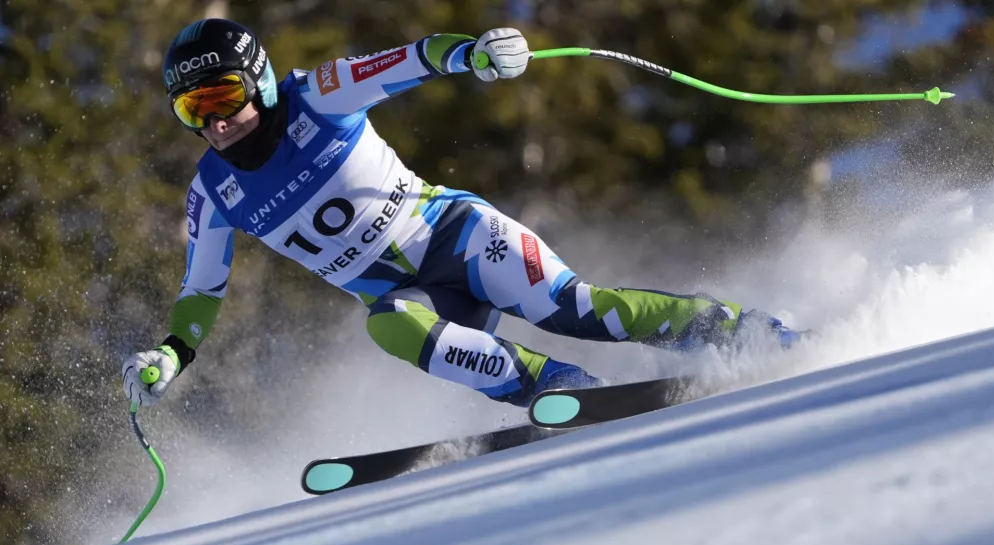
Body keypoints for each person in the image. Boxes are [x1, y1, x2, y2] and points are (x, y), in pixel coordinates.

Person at [122, 18, 800, 408]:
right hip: (407, 293)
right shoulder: (213, 192)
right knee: (390, 326)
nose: (213, 121)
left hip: (460, 238)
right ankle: (556, 390)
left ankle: (740, 330)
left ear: (260, 80)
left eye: (220, 94)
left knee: (580, 310)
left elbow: (412, 59)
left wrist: (474, 54)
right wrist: (172, 355)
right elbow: (200, 291)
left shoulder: (318, 95)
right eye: (192, 109)